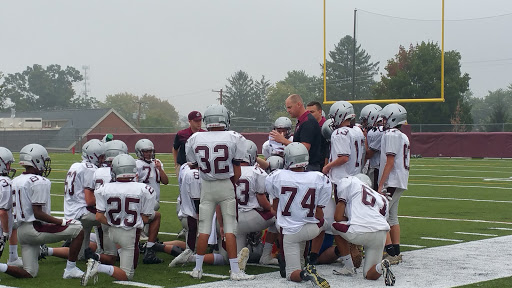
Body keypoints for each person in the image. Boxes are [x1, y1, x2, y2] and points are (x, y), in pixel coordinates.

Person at [185, 104, 254, 281]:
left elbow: (193, 165)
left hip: (206, 186)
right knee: (230, 228)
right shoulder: (235, 137)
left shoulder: (195, 138)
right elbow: (237, 170)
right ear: (225, 119)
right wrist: (231, 183)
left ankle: (197, 269)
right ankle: (235, 271)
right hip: (226, 185)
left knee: (204, 229)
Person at [1, 144, 85, 279]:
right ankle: (71, 268)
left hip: (22, 232)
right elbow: (38, 213)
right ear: (37, 160)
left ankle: (1, 266)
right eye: (44, 161)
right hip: (35, 229)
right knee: (78, 229)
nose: (45, 165)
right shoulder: (39, 181)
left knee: (30, 273)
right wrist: (62, 221)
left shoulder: (15, 180)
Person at [81, 154, 156, 285]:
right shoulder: (146, 189)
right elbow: (144, 218)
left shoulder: (103, 189)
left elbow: (99, 216)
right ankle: (97, 266)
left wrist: (114, 223)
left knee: (123, 256)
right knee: (127, 275)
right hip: (129, 233)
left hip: (111, 231)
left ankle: (102, 260)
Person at [265, 142, 331, 288]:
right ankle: (308, 261)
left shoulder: (277, 176)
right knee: (324, 224)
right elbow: (319, 213)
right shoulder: (319, 178)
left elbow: (274, 209)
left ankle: (305, 273)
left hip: (291, 232)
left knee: (291, 274)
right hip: (312, 229)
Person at [331, 174, 395, 286]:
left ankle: (349, 267)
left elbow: (337, 217)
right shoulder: (381, 197)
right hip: (381, 234)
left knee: (335, 225)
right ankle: (381, 266)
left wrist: (350, 220)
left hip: (361, 232)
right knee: (369, 274)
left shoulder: (349, 182)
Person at [235, 140, 278, 266]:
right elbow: (262, 201)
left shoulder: (230, 171)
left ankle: (238, 255)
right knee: (278, 217)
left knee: (231, 257)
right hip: (251, 217)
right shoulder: (257, 172)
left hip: (232, 218)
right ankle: (266, 256)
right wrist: (271, 209)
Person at [377, 103, 410, 266]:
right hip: (400, 179)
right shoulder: (402, 136)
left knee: (380, 215)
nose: (383, 121)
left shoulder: (391, 134)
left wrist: (381, 183)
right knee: (392, 216)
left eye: (385, 118)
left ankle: (390, 252)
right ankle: (396, 251)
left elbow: (389, 162)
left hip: (392, 180)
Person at [64, 139, 105, 261]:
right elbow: (90, 200)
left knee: (79, 256)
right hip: (82, 212)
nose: (103, 160)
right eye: (101, 157)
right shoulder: (91, 169)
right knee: (108, 217)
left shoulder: (75, 165)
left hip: (71, 210)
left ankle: (49, 251)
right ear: (92, 156)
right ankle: (106, 251)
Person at [134, 139, 167, 264]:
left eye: (150, 151)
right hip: (143, 201)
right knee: (145, 222)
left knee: (149, 224)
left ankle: (147, 245)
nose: (148, 154)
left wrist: (160, 169)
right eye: (145, 151)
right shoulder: (136, 164)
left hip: (154, 200)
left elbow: (165, 181)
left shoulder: (157, 163)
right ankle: (145, 247)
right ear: (139, 152)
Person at [270, 94, 323, 172]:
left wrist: (283, 140)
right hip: (304, 166)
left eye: (289, 107)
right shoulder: (302, 121)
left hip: (309, 167)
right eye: (287, 108)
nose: (288, 110)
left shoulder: (308, 122)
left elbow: (304, 148)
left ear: (298, 104)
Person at [168, 162, 202, 267]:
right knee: (194, 248)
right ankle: (188, 257)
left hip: (184, 211)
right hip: (193, 216)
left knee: (192, 246)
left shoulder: (184, 167)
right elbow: (196, 198)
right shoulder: (194, 173)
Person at [322, 101, 365, 180]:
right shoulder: (357, 130)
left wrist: (327, 167)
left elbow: (344, 158)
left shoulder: (340, 133)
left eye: (334, 117)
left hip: (342, 178)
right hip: (355, 175)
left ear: (340, 115)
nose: (333, 120)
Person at [0, 147, 23, 267]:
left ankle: (13, 257)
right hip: (1, 222)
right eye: (8, 164)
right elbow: (3, 212)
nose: (9, 167)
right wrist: (5, 231)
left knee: (14, 224)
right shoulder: (5, 183)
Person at [173, 111, 206, 178]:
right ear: (190, 121)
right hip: (184, 165)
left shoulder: (205, 134)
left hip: (200, 166)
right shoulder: (181, 134)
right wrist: (176, 163)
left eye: (200, 120)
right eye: (196, 121)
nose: (199, 123)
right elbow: (175, 148)